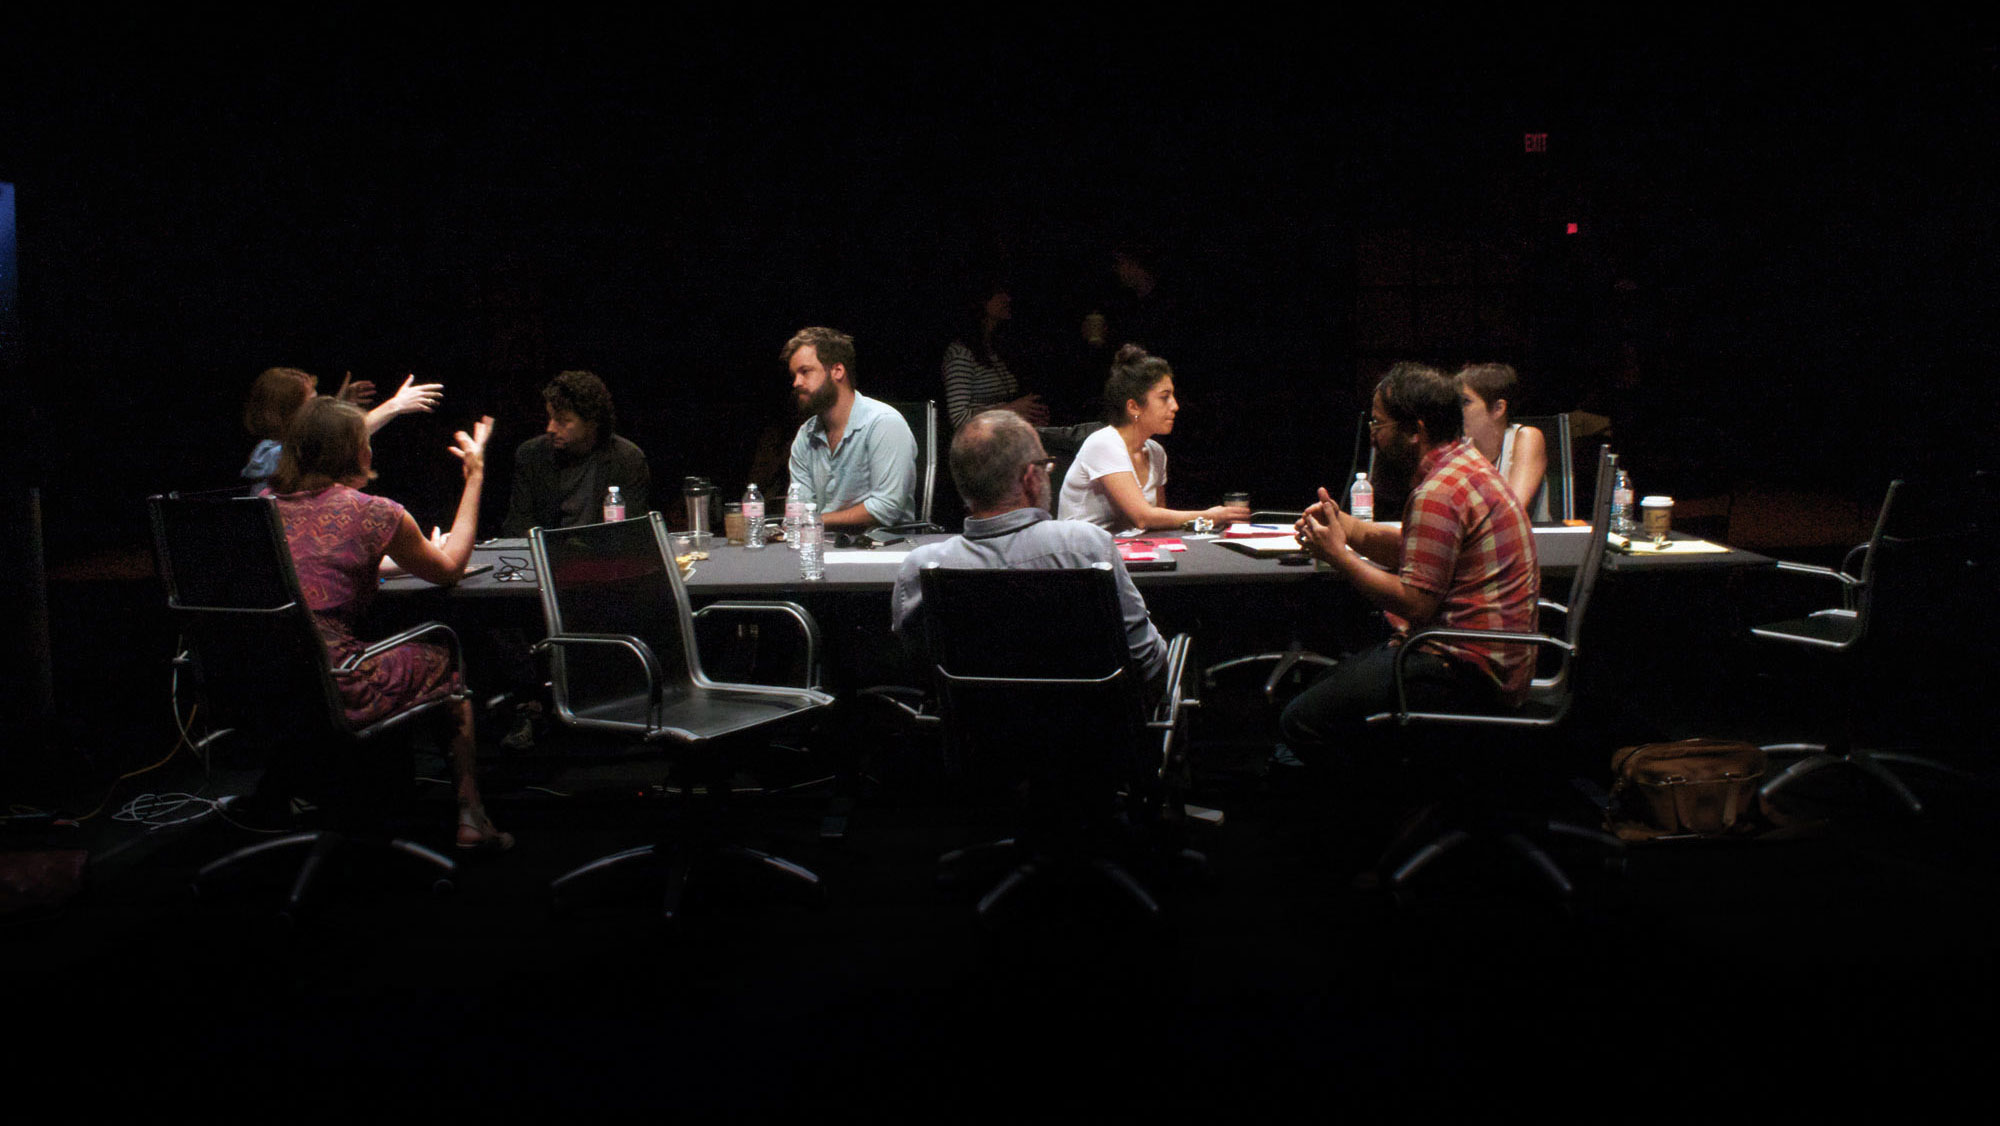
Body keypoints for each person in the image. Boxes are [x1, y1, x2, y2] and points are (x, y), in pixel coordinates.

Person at [269, 397, 511, 851]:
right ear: (358, 453)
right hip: (337, 685)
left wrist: (396, 561)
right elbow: (452, 567)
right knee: (444, 656)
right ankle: (471, 815)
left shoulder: (261, 508)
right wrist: (475, 476)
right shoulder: (375, 512)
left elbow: (321, 561)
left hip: (261, 683)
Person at [1279, 362, 1539, 757]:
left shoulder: (1439, 490)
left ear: (1415, 431)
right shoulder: (1464, 467)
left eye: (1380, 426)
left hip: (1468, 671)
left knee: (1300, 719)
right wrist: (1344, 526)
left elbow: (1416, 601)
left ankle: (1383, 807)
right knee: (1336, 678)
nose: (1374, 437)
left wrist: (1337, 556)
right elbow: (1417, 553)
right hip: (1484, 658)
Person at [893, 409, 1166, 691]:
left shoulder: (921, 567)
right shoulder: (1087, 547)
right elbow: (1147, 660)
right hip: (1090, 728)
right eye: (1046, 466)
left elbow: (922, 669)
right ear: (1029, 478)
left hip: (976, 732)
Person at [1056, 344, 1250, 534]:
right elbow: (1144, 517)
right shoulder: (1104, 444)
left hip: (1129, 551)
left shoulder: (1156, 452)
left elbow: (1158, 522)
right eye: (1164, 397)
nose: (1175, 406)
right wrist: (1211, 516)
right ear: (1133, 407)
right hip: (1083, 555)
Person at [785, 326, 918, 530]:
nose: (796, 382)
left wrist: (816, 521)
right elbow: (798, 507)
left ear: (837, 371)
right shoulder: (806, 435)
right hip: (821, 546)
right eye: (794, 375)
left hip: (881, 548)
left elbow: (886, 507)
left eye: (805, 372)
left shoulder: (884, 423)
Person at [500, 370, 651, 536]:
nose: (550, 428)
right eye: (550, 418)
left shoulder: (626, 459)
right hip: (547, 556)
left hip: (603, 556)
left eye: (563, 421)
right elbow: (518, 524)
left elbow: (633, 530)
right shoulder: (531, 455)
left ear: (592, 422)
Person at [240, 367, 443, 487]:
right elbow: (330, 438)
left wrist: (342, 404)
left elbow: (317, 436)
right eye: (310, 402)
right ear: (286, 412)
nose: (316, 408)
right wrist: (395, 405)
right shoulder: (269, 455)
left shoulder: (289, 447)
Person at [941, 287, 1049, 430]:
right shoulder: (961, 353)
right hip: (980, 448)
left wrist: (1031, 416)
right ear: (982, 301)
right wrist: (1011, 410)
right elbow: (959, 418)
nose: (1007, 299)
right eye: (999, 293)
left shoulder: (995, 348)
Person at [1457, 362, 1551, 520]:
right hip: (1481, 542)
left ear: (1498, 408)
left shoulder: (1527, 437)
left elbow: (1511, 510)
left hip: (1528, 543)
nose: (1458, 410)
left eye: (1466, 402)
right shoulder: (1461, 448)